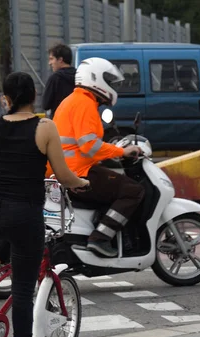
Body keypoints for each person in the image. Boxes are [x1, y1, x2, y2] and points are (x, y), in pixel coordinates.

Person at [0, 72, 89, 337]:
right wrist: (81, 182)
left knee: (8, 236)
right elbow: (63, 175)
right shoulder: (44, 127)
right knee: (24, 290)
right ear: (33, 98)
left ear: (6, 99)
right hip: (24, 212)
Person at [51, 57, 144, 257]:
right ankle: (100, 238)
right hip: (78, 173)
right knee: (133, 190)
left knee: (112, 184)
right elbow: (89, 146)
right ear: (96, 79)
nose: (111, 87)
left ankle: (101, 228)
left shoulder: (74, 100)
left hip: (68, 169)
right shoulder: (84, 103)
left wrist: (111, 148)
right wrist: (121, 151)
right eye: (109, 81)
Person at [42, 43, 76, 119]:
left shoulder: (55, 78)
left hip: (59, 123)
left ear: (60, 59)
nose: (49, 63)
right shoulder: (80, 76)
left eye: (51, 59)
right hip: (77, 121)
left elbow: (45, 104)